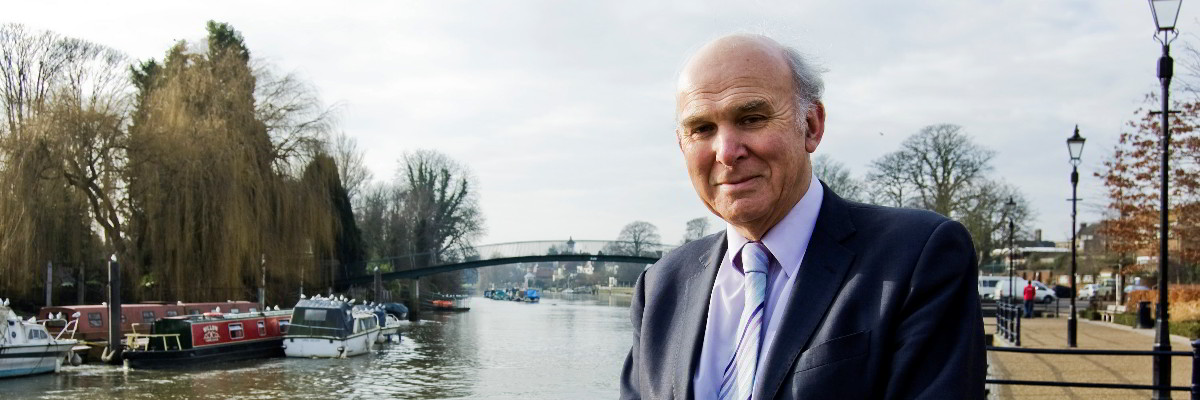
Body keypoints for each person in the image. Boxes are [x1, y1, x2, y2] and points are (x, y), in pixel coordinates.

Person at [619, 34, 986, 399]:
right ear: (682, 143)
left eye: (751, 118)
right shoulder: (660, 286)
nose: (726, 152)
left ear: (811, 125)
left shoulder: (917, 256)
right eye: (702, 129)